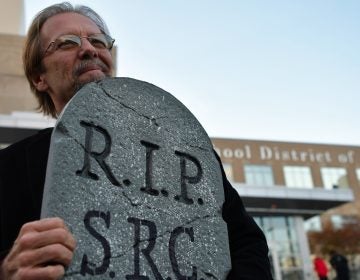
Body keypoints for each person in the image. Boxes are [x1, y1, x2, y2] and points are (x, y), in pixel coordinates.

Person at [0, 2, 273, 279]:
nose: (89, 49)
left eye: (98, 41)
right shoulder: (9, 168)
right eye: (67, 43)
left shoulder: (188, 154)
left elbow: (247, 243)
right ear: (39, 78)